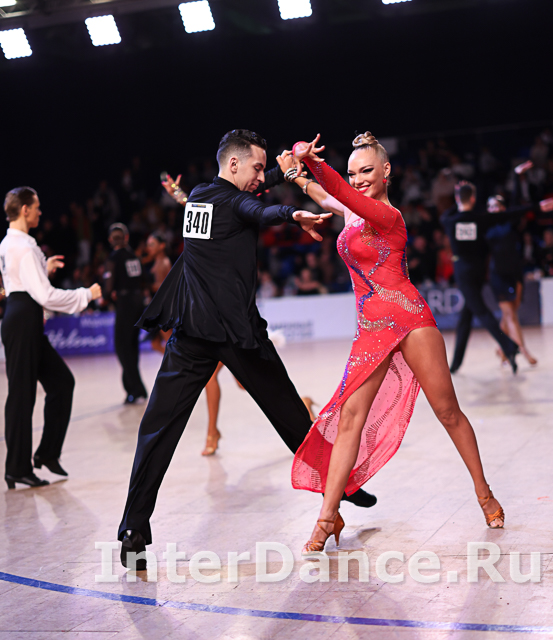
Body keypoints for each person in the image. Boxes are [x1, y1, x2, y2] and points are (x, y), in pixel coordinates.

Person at [117, 130, 376, 571]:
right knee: (291, 418)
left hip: (192, 330)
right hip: (235, 335)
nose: (261, 176)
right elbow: (257, 209)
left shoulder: (200, 196)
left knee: (157, 430)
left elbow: (249, 195)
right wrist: (292, 213)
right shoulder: (235, 202)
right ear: (234, 164)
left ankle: (132, 528)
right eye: (256, 168)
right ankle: (343, 485)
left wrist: (281, 169)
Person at [289, 133, 505, 556]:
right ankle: (327, 517)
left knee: (447, 412)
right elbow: (326, 195)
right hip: (371, 330)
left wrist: (311, 163)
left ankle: (484, 493)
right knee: (350, 419)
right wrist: (295, 174)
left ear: (386, 171)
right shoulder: (353, 213)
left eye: (366, 171)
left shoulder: (388, 216)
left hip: (409, 321)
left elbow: (337, 191)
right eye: (353, 173)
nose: (359, 179)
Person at [160, 173, 316, 456]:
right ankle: (301, 406)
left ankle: (213, 432)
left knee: (219, 380)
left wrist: (287, 196)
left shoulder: (236, 203)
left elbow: (254, 201)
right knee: (245, 384)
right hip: (210, 313)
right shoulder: (209, 206)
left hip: (229, 315)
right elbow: (198, 207)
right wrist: (179, 195)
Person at [0, 187, 101, 489]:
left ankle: (46, 453)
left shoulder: (11, 242)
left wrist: (42, 268)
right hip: (23, 319)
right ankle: (17, 468)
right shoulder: (23, 246)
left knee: (61, 383)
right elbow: (45, 295)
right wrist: (86, 294)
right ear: (25, 210)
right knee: (22, 396)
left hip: (22, 316)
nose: (40, 212)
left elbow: (21, 279)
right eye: (37, 207)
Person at [442, 181, 553, 374]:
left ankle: (509, 346)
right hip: (479, 272)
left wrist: (458, 199)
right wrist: (537, 206)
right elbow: (510, 213)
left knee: (481, 312)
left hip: (463, 273)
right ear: (473, 199)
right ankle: (455, 364)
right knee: (466, 317)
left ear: (457, 199)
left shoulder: (449, 221)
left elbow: (449, 212)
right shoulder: (481, 218)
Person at [485, 161, 541, 366]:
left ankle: (501, 348)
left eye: (497, 205)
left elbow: (517, 203)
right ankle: (522, 352)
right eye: (490, 206)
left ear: (503, 208)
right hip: (497, 275)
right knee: (510, 316)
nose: (494, 209)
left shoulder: (511, 222)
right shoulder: (485, 227)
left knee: (510, 314)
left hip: (515, 273)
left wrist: (517, 176)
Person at [104, 223, 147, 404]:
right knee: (131, 347)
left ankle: (137, 389)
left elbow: (108, 287)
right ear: (127, 237)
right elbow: (143, 280)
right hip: (138, 303)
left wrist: (107, 297)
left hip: (125, 304)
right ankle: (132, 389)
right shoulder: (134, 256)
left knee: (122, 347)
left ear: (110, 240)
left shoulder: (114, 258)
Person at [144, 232, 172, 354]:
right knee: (155, 344)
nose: (149, 248)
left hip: (163, 309)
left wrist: (149, 286)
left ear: (162, 245)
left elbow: (168, 286)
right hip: (158, 308)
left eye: (152, 244)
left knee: (170, 342)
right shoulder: (156, 262)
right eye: (148, 245)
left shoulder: (163, 263)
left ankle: (176, 362)